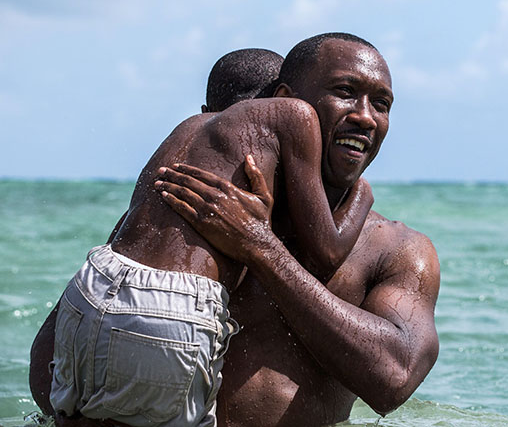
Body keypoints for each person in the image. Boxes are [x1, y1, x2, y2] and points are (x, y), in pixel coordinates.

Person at [29, 44, 374, 426]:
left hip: (96, 285)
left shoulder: (186, 131)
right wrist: (360, 194)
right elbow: (327, 251)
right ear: (284, 95)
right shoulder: (294, 115)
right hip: (169, 310)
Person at [156, 33, 440, 426]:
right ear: (286, 103)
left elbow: (394, 378)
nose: (365, 116)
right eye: (345, 92)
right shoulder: (207, 208)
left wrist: (261, 249)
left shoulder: (395, 249)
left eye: (381, 104)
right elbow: (62, 370)